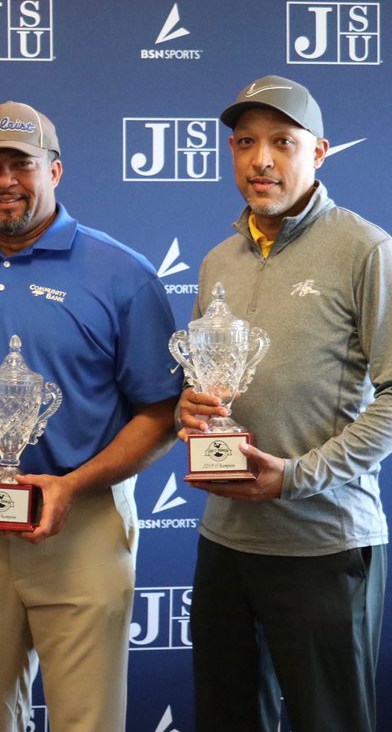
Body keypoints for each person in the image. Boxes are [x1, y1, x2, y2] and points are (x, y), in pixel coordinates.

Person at [0, 102, 182, 731]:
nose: (5, 181)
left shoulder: (122, 274)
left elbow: (161, 413)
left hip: (82, 526)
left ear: (56, 170)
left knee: (89, 720)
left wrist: (71, 486)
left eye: (21, 164)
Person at [179, 75, 391, 732]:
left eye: (282, 142)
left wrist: (296, 477)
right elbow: (209, 389)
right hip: (226, 542)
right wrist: (189, 412)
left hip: (322, 546)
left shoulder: (365, 250)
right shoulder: (219, 259)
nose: (260, 160)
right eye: (244, 142)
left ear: (320, 152)